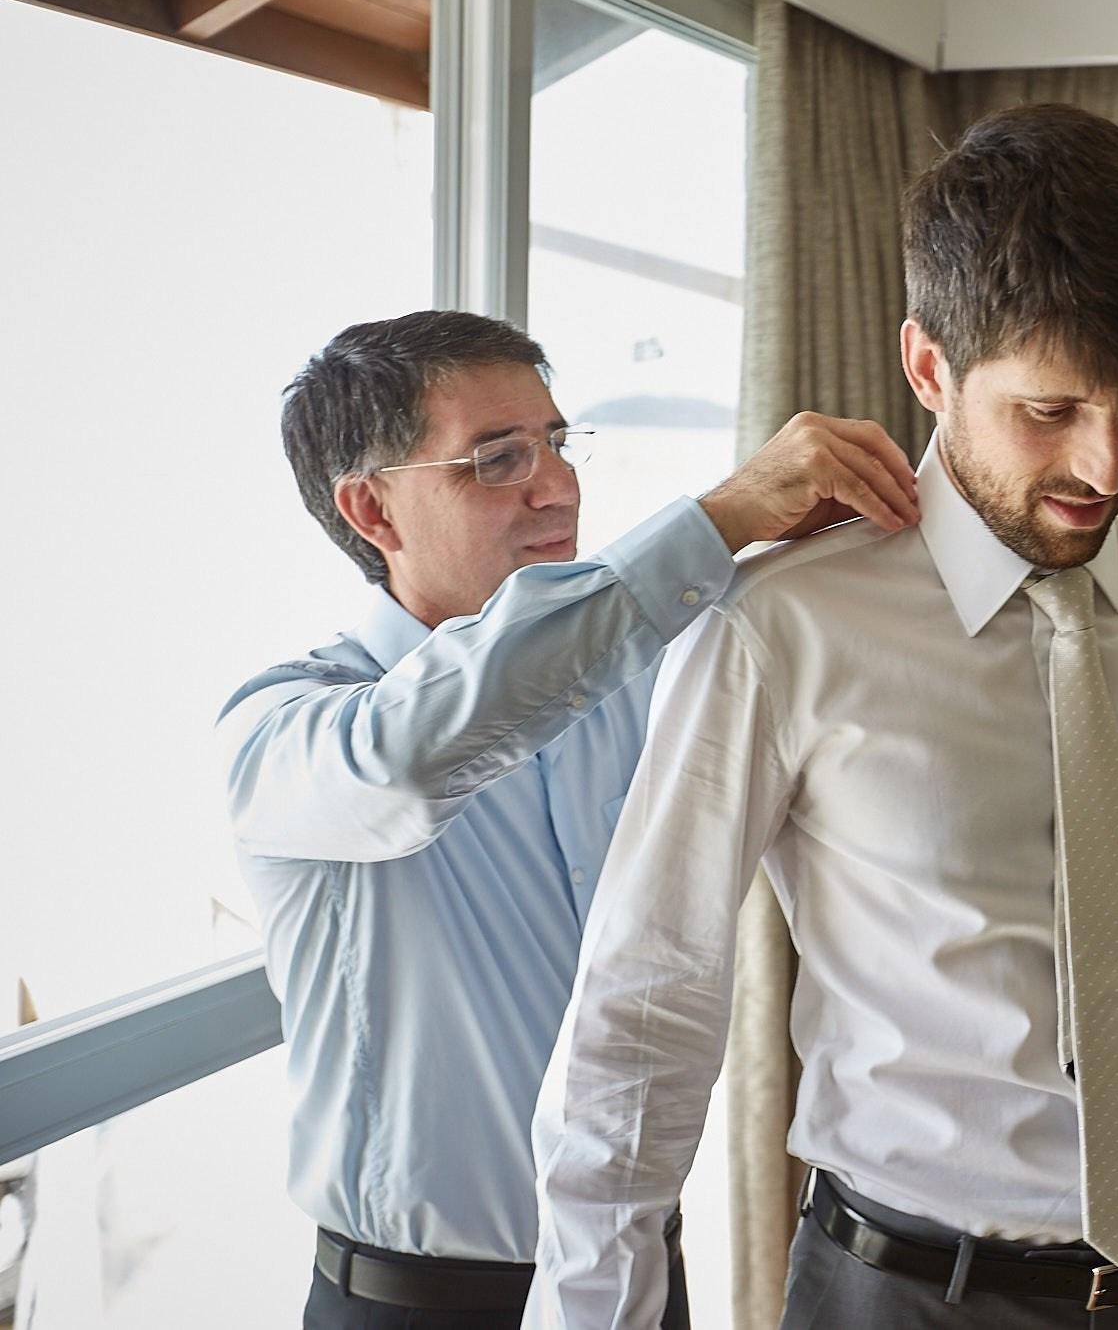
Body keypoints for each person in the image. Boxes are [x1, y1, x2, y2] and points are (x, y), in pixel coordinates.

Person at [528, 104, 1118, 1330]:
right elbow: (647, 1002)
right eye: (1050, 410)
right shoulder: (779, 625)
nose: (1106, 467)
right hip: (909, 1297)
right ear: (929, 368)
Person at [217, 309, 920, 1330]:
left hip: (635, 1278)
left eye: (555, 441)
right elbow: (413, 760)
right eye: (496, 459)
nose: (555, 484)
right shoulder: (287, 733)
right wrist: (717, 520)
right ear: (371, 509)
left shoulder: (633, 687)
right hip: (414, 1307)